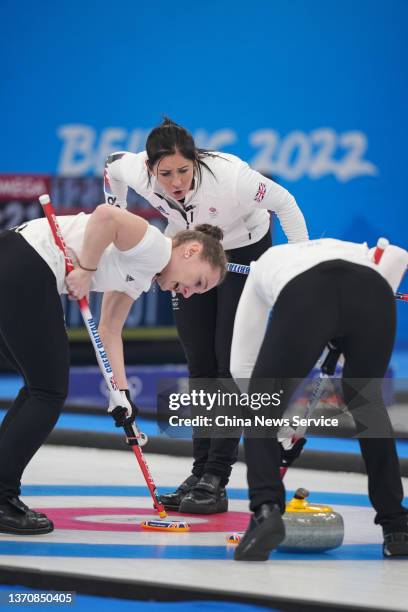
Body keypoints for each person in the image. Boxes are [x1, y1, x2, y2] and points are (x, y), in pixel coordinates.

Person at [103, 117, 309, 514]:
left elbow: (285, 203)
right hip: (191, 250)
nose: (176, 181)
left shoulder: (233, 178)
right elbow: (112, 165)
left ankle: (216, 476)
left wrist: (299, 262)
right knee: (199, 364)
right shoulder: (139, 173)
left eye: (184, 169)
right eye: (166, 174)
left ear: (195, 160)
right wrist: (118, 211)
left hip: (244, 250)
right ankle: (199, 474)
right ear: (150, 170)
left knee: (226, 365)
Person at [0, 204, 227, 535]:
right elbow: (107, 215)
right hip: (27, 263)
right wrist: (87, 270)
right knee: (47, 392)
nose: (189, 293)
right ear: (191, 251)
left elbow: (109, 329)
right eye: (197, 282)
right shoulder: (154, 247)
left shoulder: (145, 272)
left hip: (14, 259)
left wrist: (121, 394)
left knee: (38, 389)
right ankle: (3, 498)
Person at [229, 237, 408, 560]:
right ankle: (397, 525)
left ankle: (266, 511)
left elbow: (241, 364)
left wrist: (274, 426)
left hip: (307, 293)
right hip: (373, 289)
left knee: (260, 404)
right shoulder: (353, 248)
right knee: (367, 403)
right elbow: (397, 256)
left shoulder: (262, 267)